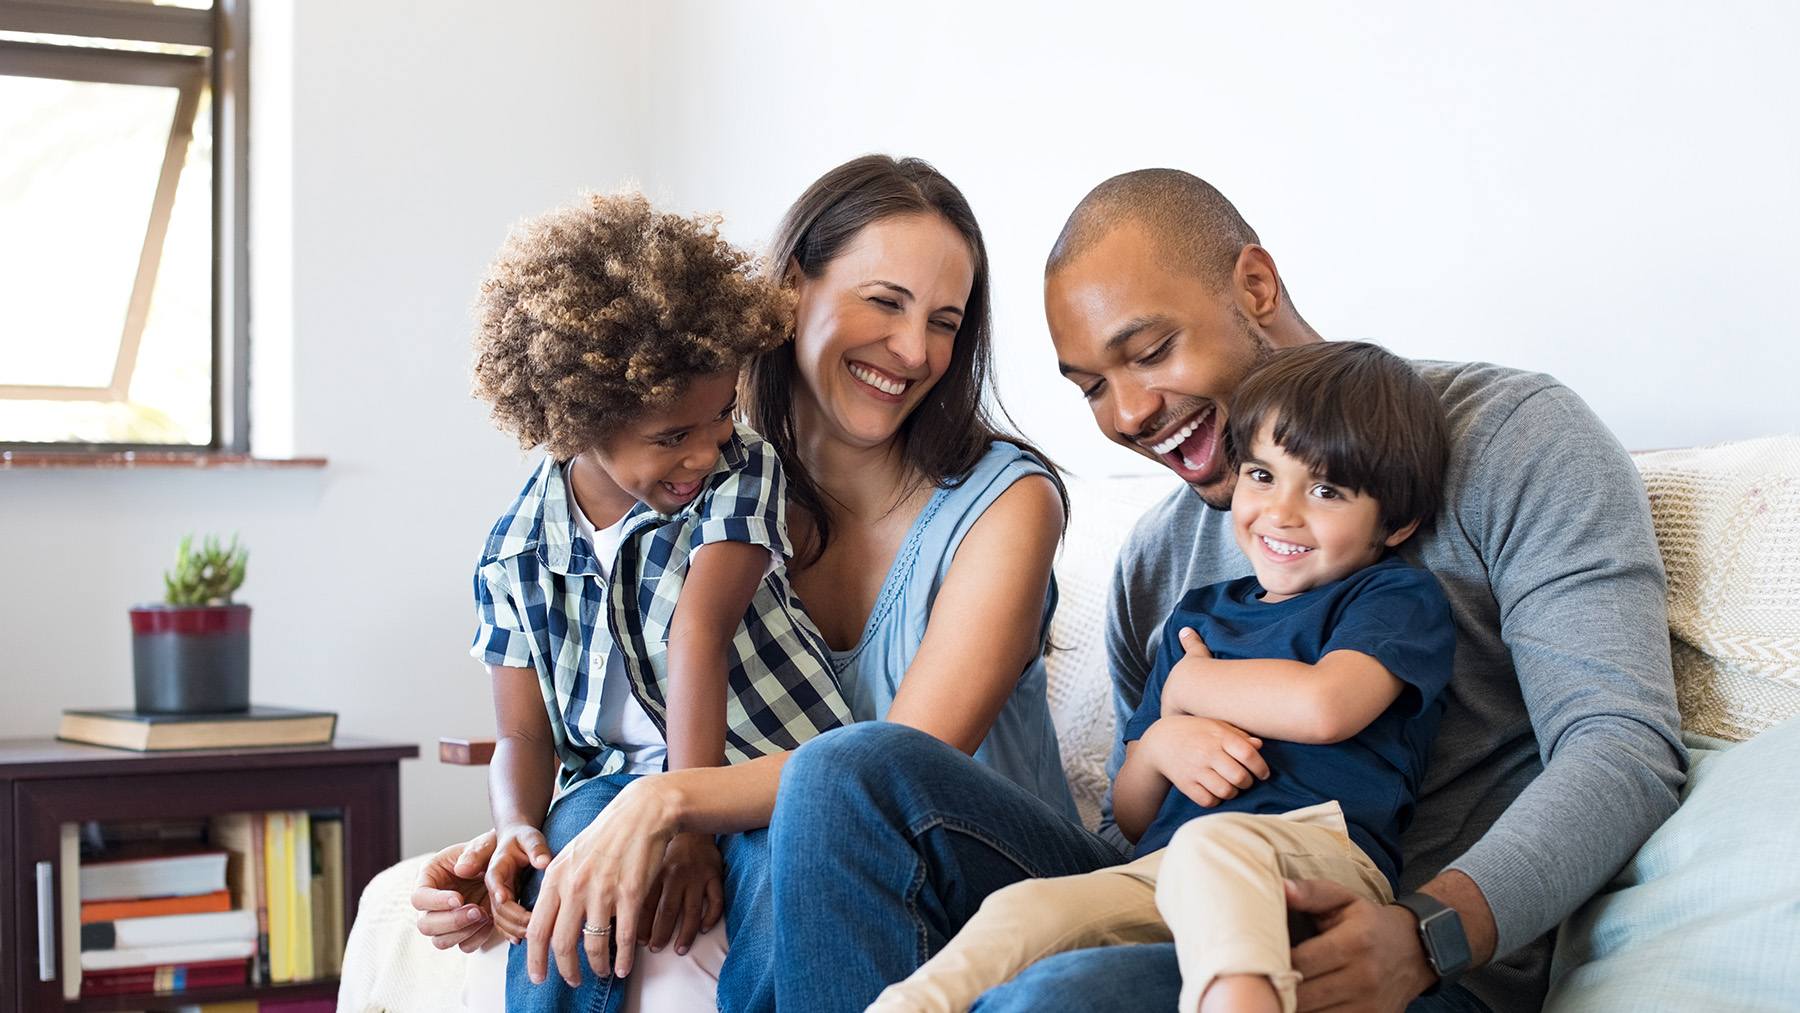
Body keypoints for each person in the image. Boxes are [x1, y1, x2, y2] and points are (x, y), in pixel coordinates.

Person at [763, 168, 1685, 1013]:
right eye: (1091, 387)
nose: (1127, 416)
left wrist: (1428, 933)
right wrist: (1164, 740)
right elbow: (1140, 818)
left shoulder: (1512, 439)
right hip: (1181, 892)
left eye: (1151, 350)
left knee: (1055, 998)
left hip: (1388, 947)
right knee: (845, 772)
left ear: (1254, 286)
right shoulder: (1158, 558)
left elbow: (1622, 746)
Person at [412, 155, 1107, 1012]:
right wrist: (537, 843)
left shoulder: (1006, 503)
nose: (916, 349)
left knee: (820, 811)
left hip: (975, 873)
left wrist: (667, 801)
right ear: (788, 291)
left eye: (945, 322)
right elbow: (612, 707)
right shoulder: (695, 486)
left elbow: (880, 779)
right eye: (884, 301)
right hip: (774, 839)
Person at [869, 340, 1456, 1013]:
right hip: (1167, 865)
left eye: (1325, 490)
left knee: (1215, 844)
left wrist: (1188, 691)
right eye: (1263, 475)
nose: (1282, 511)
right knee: (1025, 908)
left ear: (1397, 521)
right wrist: (1161, 748)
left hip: (1317, 854)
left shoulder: (1392, 596)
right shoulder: (1197, 618)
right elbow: (1132, 809)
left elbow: (1327, 706)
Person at [463, 190, 857, 1008]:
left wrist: (687, 825)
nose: (703, 451)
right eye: (672, 437)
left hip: (760, 766)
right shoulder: (515, 548)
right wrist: (515, 828)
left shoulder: (740, 469)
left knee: (790, 870)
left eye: (719, 415)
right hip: (610, 783)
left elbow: (698, 635)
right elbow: (519, 731)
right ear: (577, 421)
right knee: (564, 867)